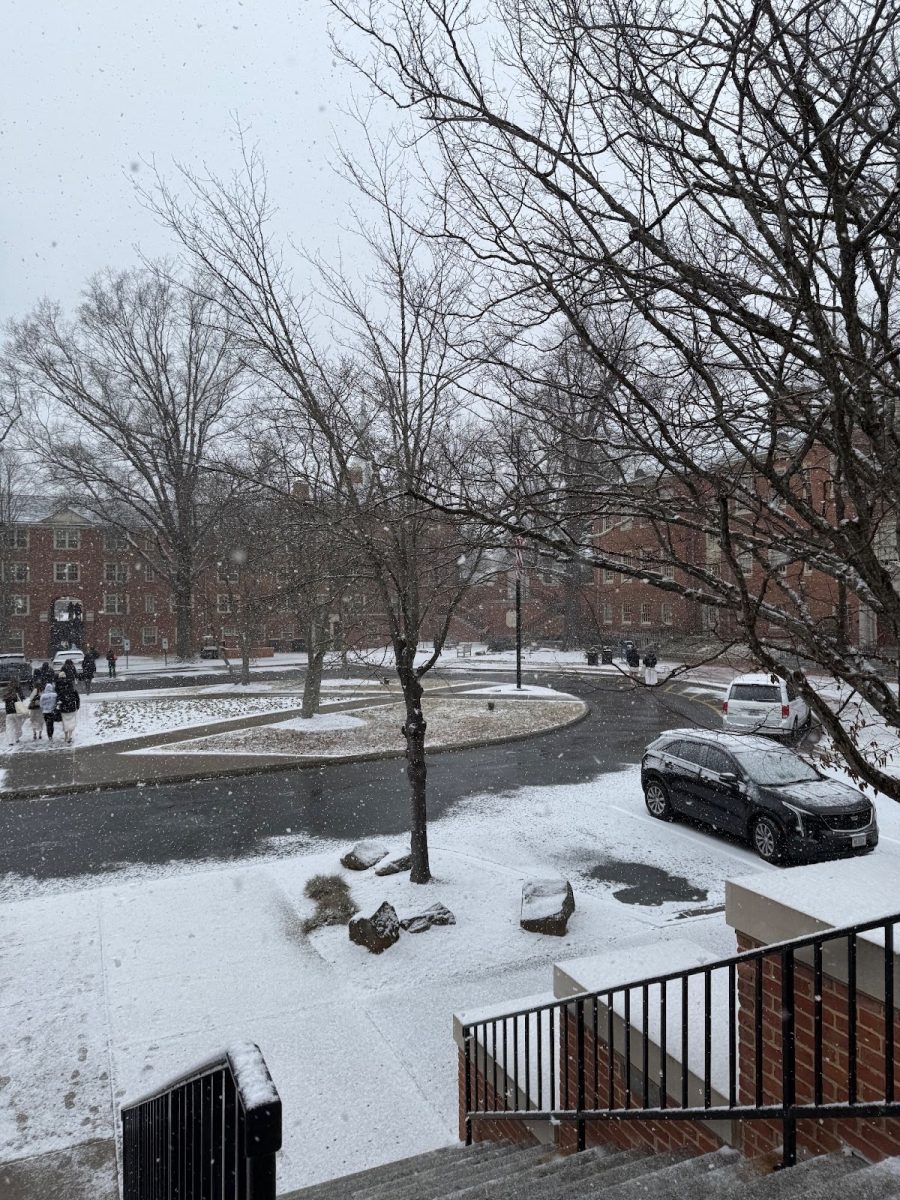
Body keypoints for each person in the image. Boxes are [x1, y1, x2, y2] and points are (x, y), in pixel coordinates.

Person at [55, 672, 80, 745]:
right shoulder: (73, 690)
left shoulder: (60, 689)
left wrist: (57, 705)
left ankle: (66, 735)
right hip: (72, 707)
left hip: (64, 708)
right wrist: (77, 706)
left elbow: (57, 698)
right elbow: (77, 698)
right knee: (72, 721)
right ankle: (70, 735)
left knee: (65, 722)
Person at [4, 680, 25, 745]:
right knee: (18, 726)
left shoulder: (7, 694)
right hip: (17, 712)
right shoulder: (17, 693)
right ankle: (16, 738)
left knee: (9, 728)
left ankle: (10, 741)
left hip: (8, 713)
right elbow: (22, 699)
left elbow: (5, 700)